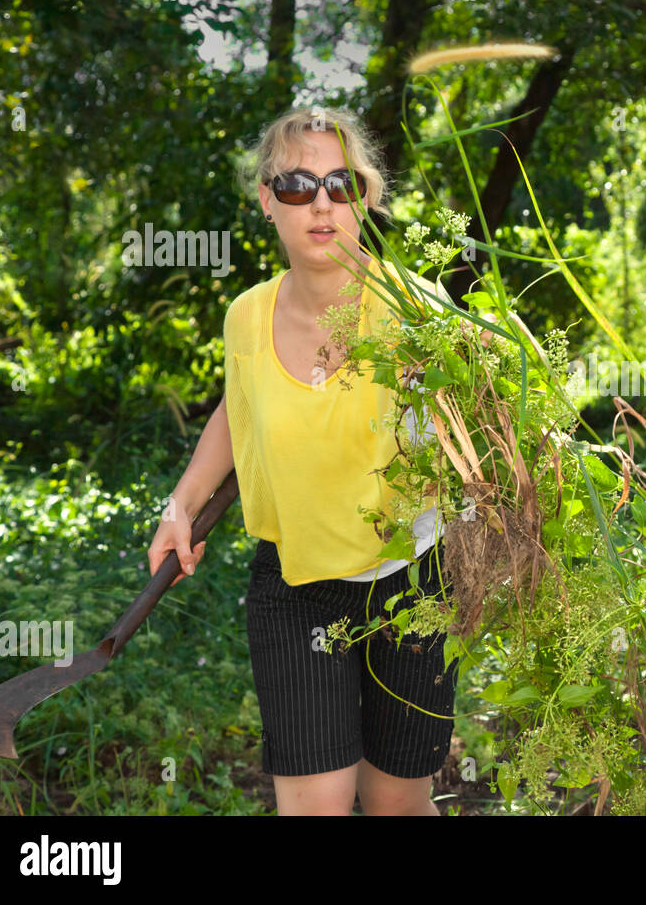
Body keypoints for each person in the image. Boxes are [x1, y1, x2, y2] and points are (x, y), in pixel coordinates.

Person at [147, 106, 457, 815]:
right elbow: (238, 411)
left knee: (395, 807)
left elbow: (488, 430)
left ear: (367, 198)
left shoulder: (418, 311)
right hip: (295, 585)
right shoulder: (247, 317)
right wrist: (181, 506)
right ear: (267, 199)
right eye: (296, 185)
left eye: (341, 184)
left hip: (412, 584)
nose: (321, 203)